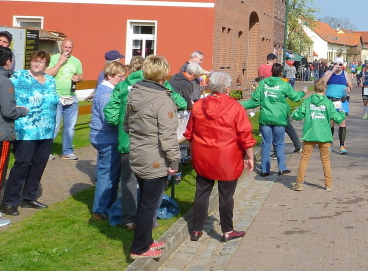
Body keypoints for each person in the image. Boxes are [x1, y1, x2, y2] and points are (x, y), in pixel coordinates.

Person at [105, 56, 186, 230]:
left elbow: (110, 114)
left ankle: (129, 219)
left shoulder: (123, 85)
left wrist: (123, 123)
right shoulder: (161, 86)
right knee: (152, 185)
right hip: (152, 144)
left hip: (128, 140)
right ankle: (149, 220)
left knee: (128, 181)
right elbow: (181, 102)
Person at [184, 72, 256, 242]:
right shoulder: (235, 107)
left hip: (204, 155)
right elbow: (245, 135)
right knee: (226, 196)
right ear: (228, 88)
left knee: (202, 193)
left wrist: (193, 151)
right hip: (227, 157)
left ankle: (197, 229)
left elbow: (190, 133)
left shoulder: (198, 106)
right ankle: (227, 230)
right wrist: (250, 156)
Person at [125, 55, 180, 260]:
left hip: (138, 152)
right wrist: (174, 161)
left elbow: (126, 124)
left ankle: (147, 239)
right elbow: (168, 136)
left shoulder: (135, 93)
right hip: (155, 157)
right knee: (149, 204)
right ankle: (139, 247)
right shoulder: (162, 100)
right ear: (163, 74)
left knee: (146, 200)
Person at [1, 50, 57, 217]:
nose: (37, 64)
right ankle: (9, 202)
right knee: (23, 163)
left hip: (46, 130)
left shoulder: (50, 80)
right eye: (34, 60)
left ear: (46, 64)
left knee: (39, 163)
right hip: (25, 129)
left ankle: (29, 197)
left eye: (41, 61)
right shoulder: (18, 77)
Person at [244, 63, 305, 176]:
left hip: (266, 117)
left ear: (271, 71)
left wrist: (239, 105)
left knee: (266, 143)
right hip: (279, 118)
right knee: (279, 143)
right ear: (281, 73)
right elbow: (295, 97)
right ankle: (282, 167)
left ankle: (264, 169)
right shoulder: (284, 85)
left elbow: (255, 100)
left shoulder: (263, 83)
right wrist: (302, 93)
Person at [291, 79, 346, 191]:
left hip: (310, 133)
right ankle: (328, 184)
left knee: (304, 158)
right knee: (325, 159)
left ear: (314, 89)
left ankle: (299, 183)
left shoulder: (307, 101)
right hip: (324, 134)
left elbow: (298, 115)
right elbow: (338, 118)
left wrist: (294, 113)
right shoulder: (328, 103)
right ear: (324, 90)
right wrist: (341, 112)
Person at [0, 47, 29, 227]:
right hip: (0, 134)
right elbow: (9, 111)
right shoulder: (4, 81)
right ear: (8, 62)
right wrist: (23, 111)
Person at [88, 61, 126, 220]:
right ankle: (99, 209)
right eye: (120, 77)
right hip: (106, 137)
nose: (122, 80)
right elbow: (109, 119)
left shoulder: (108, 90)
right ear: (109, 75)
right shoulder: (106, 93)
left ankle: (109, 204)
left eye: (124, 77)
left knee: (112, 173)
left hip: (106, 137)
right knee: (107, 174)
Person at [47, 38, 83, 160]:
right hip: (56, 96)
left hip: (71, 97)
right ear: (61, 47)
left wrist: (78, 78)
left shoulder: (76, 61)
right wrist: (60, 62)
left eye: (70, 47)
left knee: (70, 127)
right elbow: (48, 74)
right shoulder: (53, 58)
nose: (67, 49)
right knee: (55, 126)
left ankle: (67, 152)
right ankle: (46, 151)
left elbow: (81, 75)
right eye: (65, 47)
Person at [320, 58, 353, 154]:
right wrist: (332, 72)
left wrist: (349, 88)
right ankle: (330, 143)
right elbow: (322, 82)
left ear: (343, 65)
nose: (338, 66)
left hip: (342, 102)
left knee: (342, 123)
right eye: (336, 64)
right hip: (330, 102)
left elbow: (350, 84)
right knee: (331, 123)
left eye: (340, 64)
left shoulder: (345, 74)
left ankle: (342, 145)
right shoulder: (328, 73)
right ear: (333, 64)